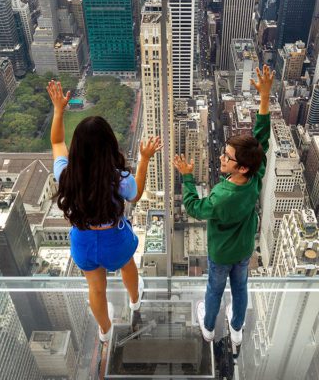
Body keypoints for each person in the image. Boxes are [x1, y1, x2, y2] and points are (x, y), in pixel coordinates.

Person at [48, 80, 161, 343]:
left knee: (96, 289)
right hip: (115, 240)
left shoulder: (66, 175)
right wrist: (144, 159)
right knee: (128, 268)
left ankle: (105, 330)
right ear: (109, 146)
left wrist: (58, 111)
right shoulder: (117, 178)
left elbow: (56, 142)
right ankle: (134, 302)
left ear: (77, 149)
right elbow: (136, 194)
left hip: (84, 241)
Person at [174, 65, 273, 346]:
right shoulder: (255, 175)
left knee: (214, 291)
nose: (221, 158)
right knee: (241, 288)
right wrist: (264, 100)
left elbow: (193, 207)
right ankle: (237, 327)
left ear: (240, 167)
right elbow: (261, 139)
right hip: (243, 249)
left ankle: (208, 327)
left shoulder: (221, 196)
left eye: (227, 158)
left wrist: (187, 177)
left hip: (220, 253)